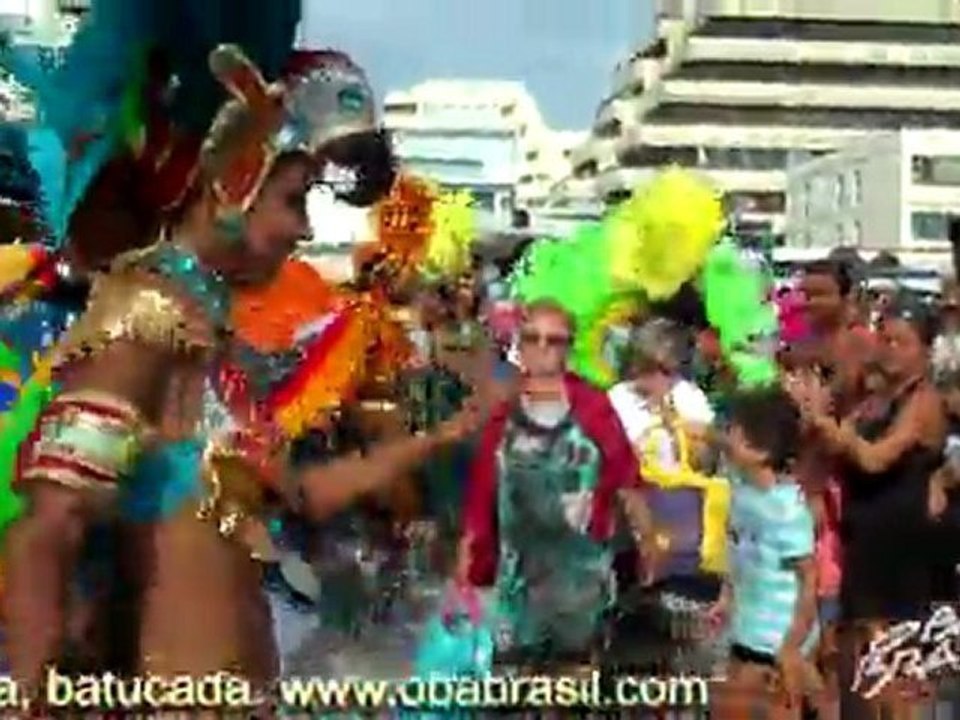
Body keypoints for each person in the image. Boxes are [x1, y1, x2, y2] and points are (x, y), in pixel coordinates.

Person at [2, 44, 477, 693]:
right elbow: (46, 531)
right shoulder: (147, 317)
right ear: (230, 184)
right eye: (292, 199)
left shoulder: (202, 337)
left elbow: (300, 493)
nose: (305, 229)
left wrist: (440, 439)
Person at [458, 299, 657, 674]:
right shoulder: (502, 407)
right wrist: (468, 558)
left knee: (572, 686)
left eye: (555, 340)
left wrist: (647, 543)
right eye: (533, 338)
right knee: (515, 689)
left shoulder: (593, 405)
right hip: (517, 580)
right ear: (520, 344)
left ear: (569, 347)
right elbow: (482, 491)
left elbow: (626, 478)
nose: (543, 348)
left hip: (579, 580)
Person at [789, 295, 949, 719]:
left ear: (924, 350)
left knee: (892, 657)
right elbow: (837, 443)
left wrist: (829, 428)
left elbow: (876, 458)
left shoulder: (923, 400)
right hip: (862, 535)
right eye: (886, 339)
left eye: (902, 342)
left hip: (899, 539)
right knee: (856, 648)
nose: (890, 349)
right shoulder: (872, 395)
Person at [709, 388, 821, 719]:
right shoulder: (741, 491)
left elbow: (809, 580)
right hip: (745, 628)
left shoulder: (787, 508)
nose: (727, 440)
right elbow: (738, 549)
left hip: (777, 638)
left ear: (762, 450)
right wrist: (726, 597)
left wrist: (791, 648)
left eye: (736, 434)